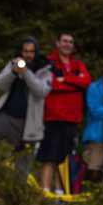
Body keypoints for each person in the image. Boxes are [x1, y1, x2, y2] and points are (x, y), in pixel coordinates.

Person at [39, 33, 91, 194]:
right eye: (64, 41)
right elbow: (50, 85)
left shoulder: (78, 64)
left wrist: (65, 79)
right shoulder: (48, 62)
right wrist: (74, 84)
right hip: (53, 115)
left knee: (64, 156)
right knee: (50, 154)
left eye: (70, 42)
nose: (68, 44)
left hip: (72, 118)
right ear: (58, 43)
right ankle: (45, 190)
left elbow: (86, 82)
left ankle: (60, 191)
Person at [0, 38, 53, 151]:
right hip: (6, 115)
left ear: (37, 52)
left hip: (28, 123)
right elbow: (0, 84)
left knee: (23, 159)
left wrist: (25, 72)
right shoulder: (14, 63)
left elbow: (41, 92)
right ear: (21, 52)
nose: (28, 55)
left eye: (31, 52)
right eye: (25, 51)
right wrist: (13, 72)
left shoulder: (45, 70)